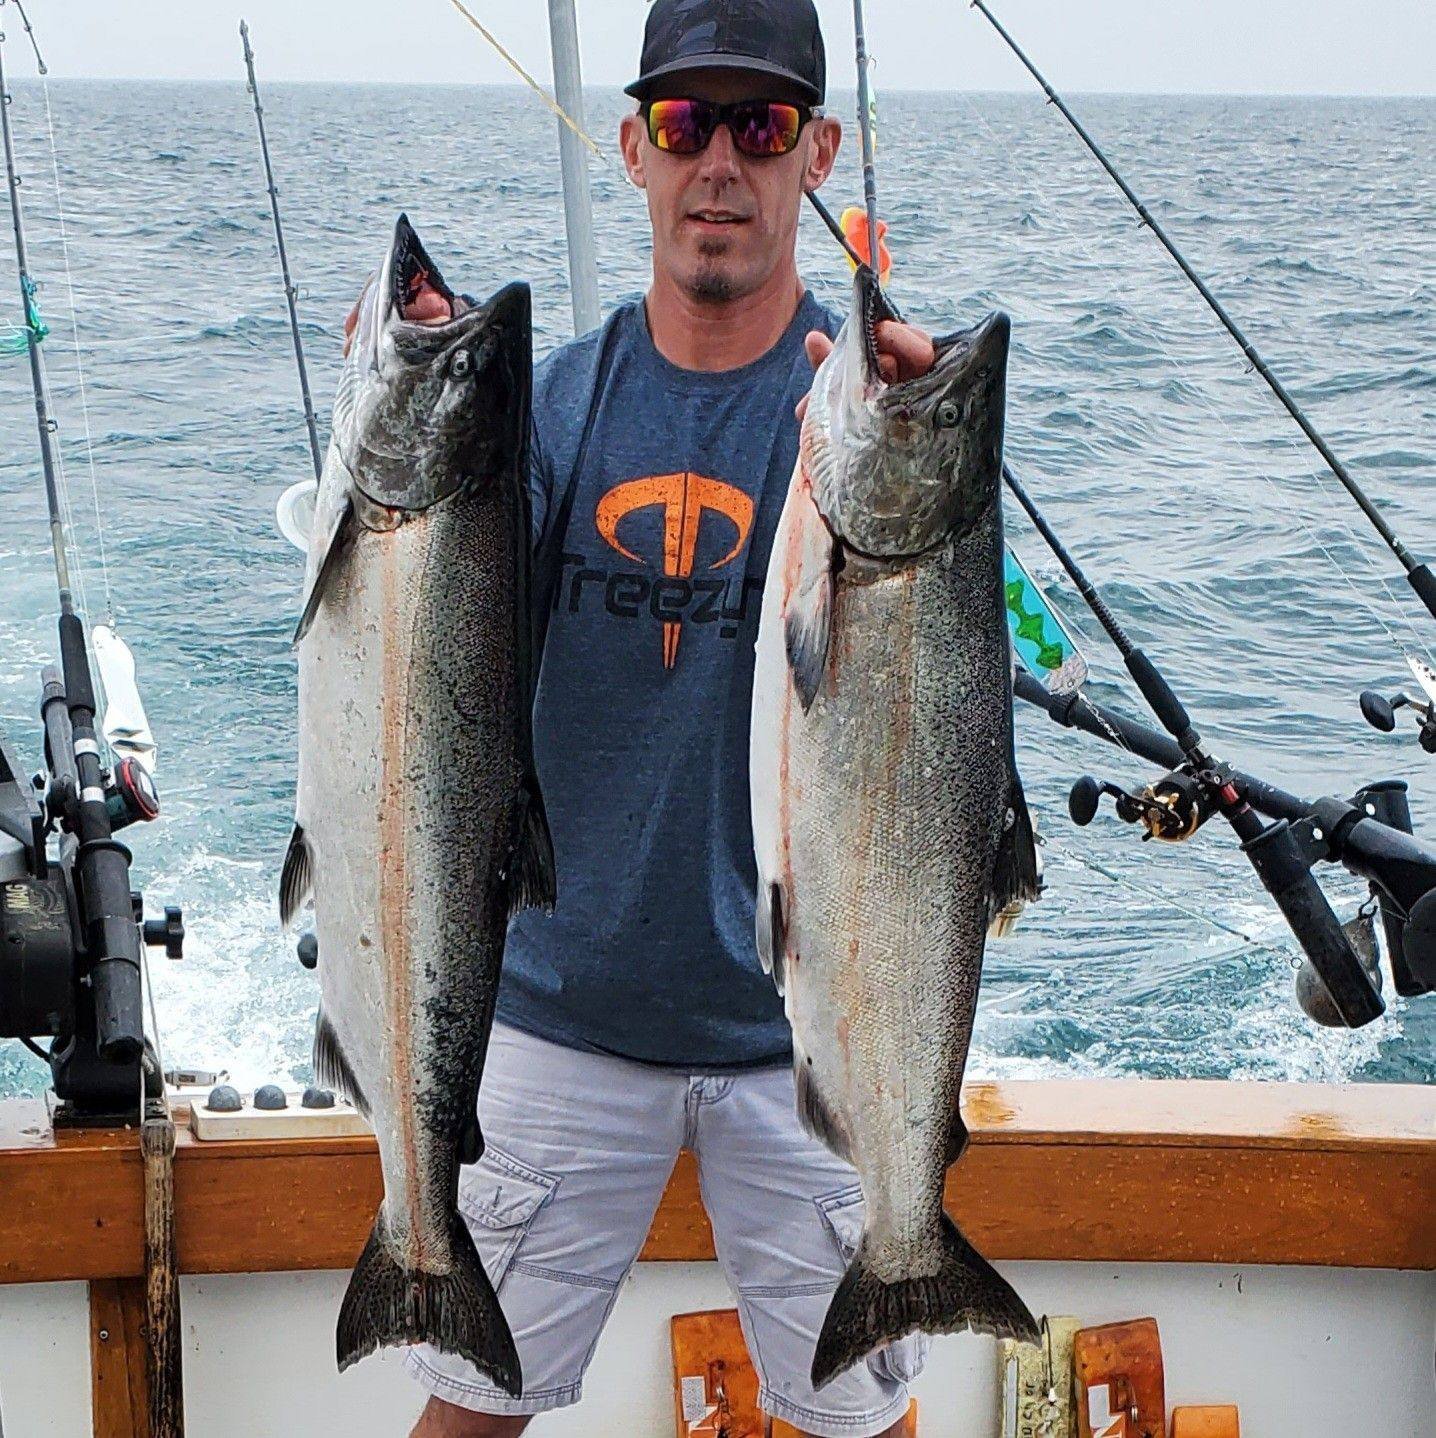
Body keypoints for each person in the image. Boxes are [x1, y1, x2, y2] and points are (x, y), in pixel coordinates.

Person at [347, 2, 937, 1433]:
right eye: (685, 125)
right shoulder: (546, 407)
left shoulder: (859, 413)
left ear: (818, 152)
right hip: (562, 1012)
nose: (719, 164)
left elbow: (936, 702)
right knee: (463, 1412)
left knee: (860, 1423)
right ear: (633, 148)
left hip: (804, 1037)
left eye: (760, 125)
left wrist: (915, 462)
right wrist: (391, 422)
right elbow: (428, 632)